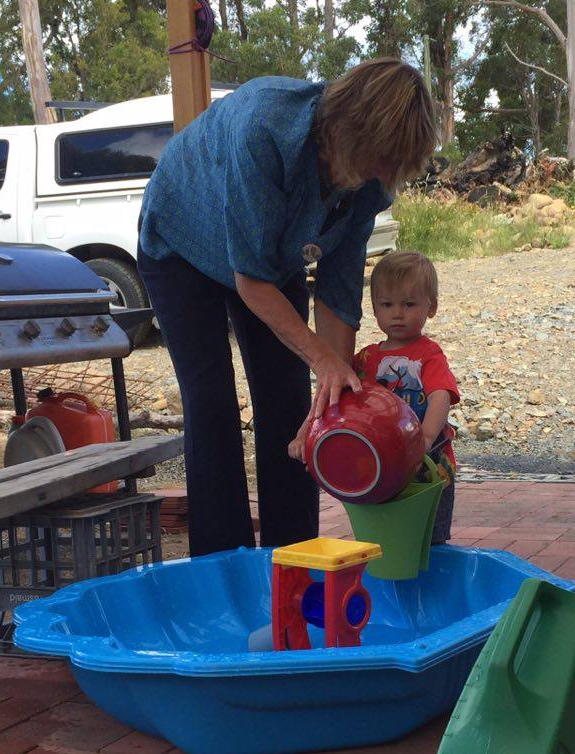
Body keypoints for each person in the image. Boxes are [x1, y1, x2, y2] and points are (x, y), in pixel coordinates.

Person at [137, 59, 436, 556]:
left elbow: (338, 292)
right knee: (211, 402)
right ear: (347, 128)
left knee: (295, 404)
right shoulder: (264, 126)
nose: (379, 181)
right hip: (182, 243)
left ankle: (296, 556)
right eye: (377, 162)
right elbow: (250, 280)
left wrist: (333, 379)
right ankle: (223, 563)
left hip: (270, 257)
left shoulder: (371, 182)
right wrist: (321, 358)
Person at [351, 251, 460, 542]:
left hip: (428, 464)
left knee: (427, 537)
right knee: (385, 535)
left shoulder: (428, 355)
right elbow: (342, 394)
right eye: (387, 304)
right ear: (374, 308)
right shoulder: (365, 358)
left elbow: (441, 396)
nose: (397, 313)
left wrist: (424, 437)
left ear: (431, 307)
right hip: (384, 462)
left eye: (409, 304)